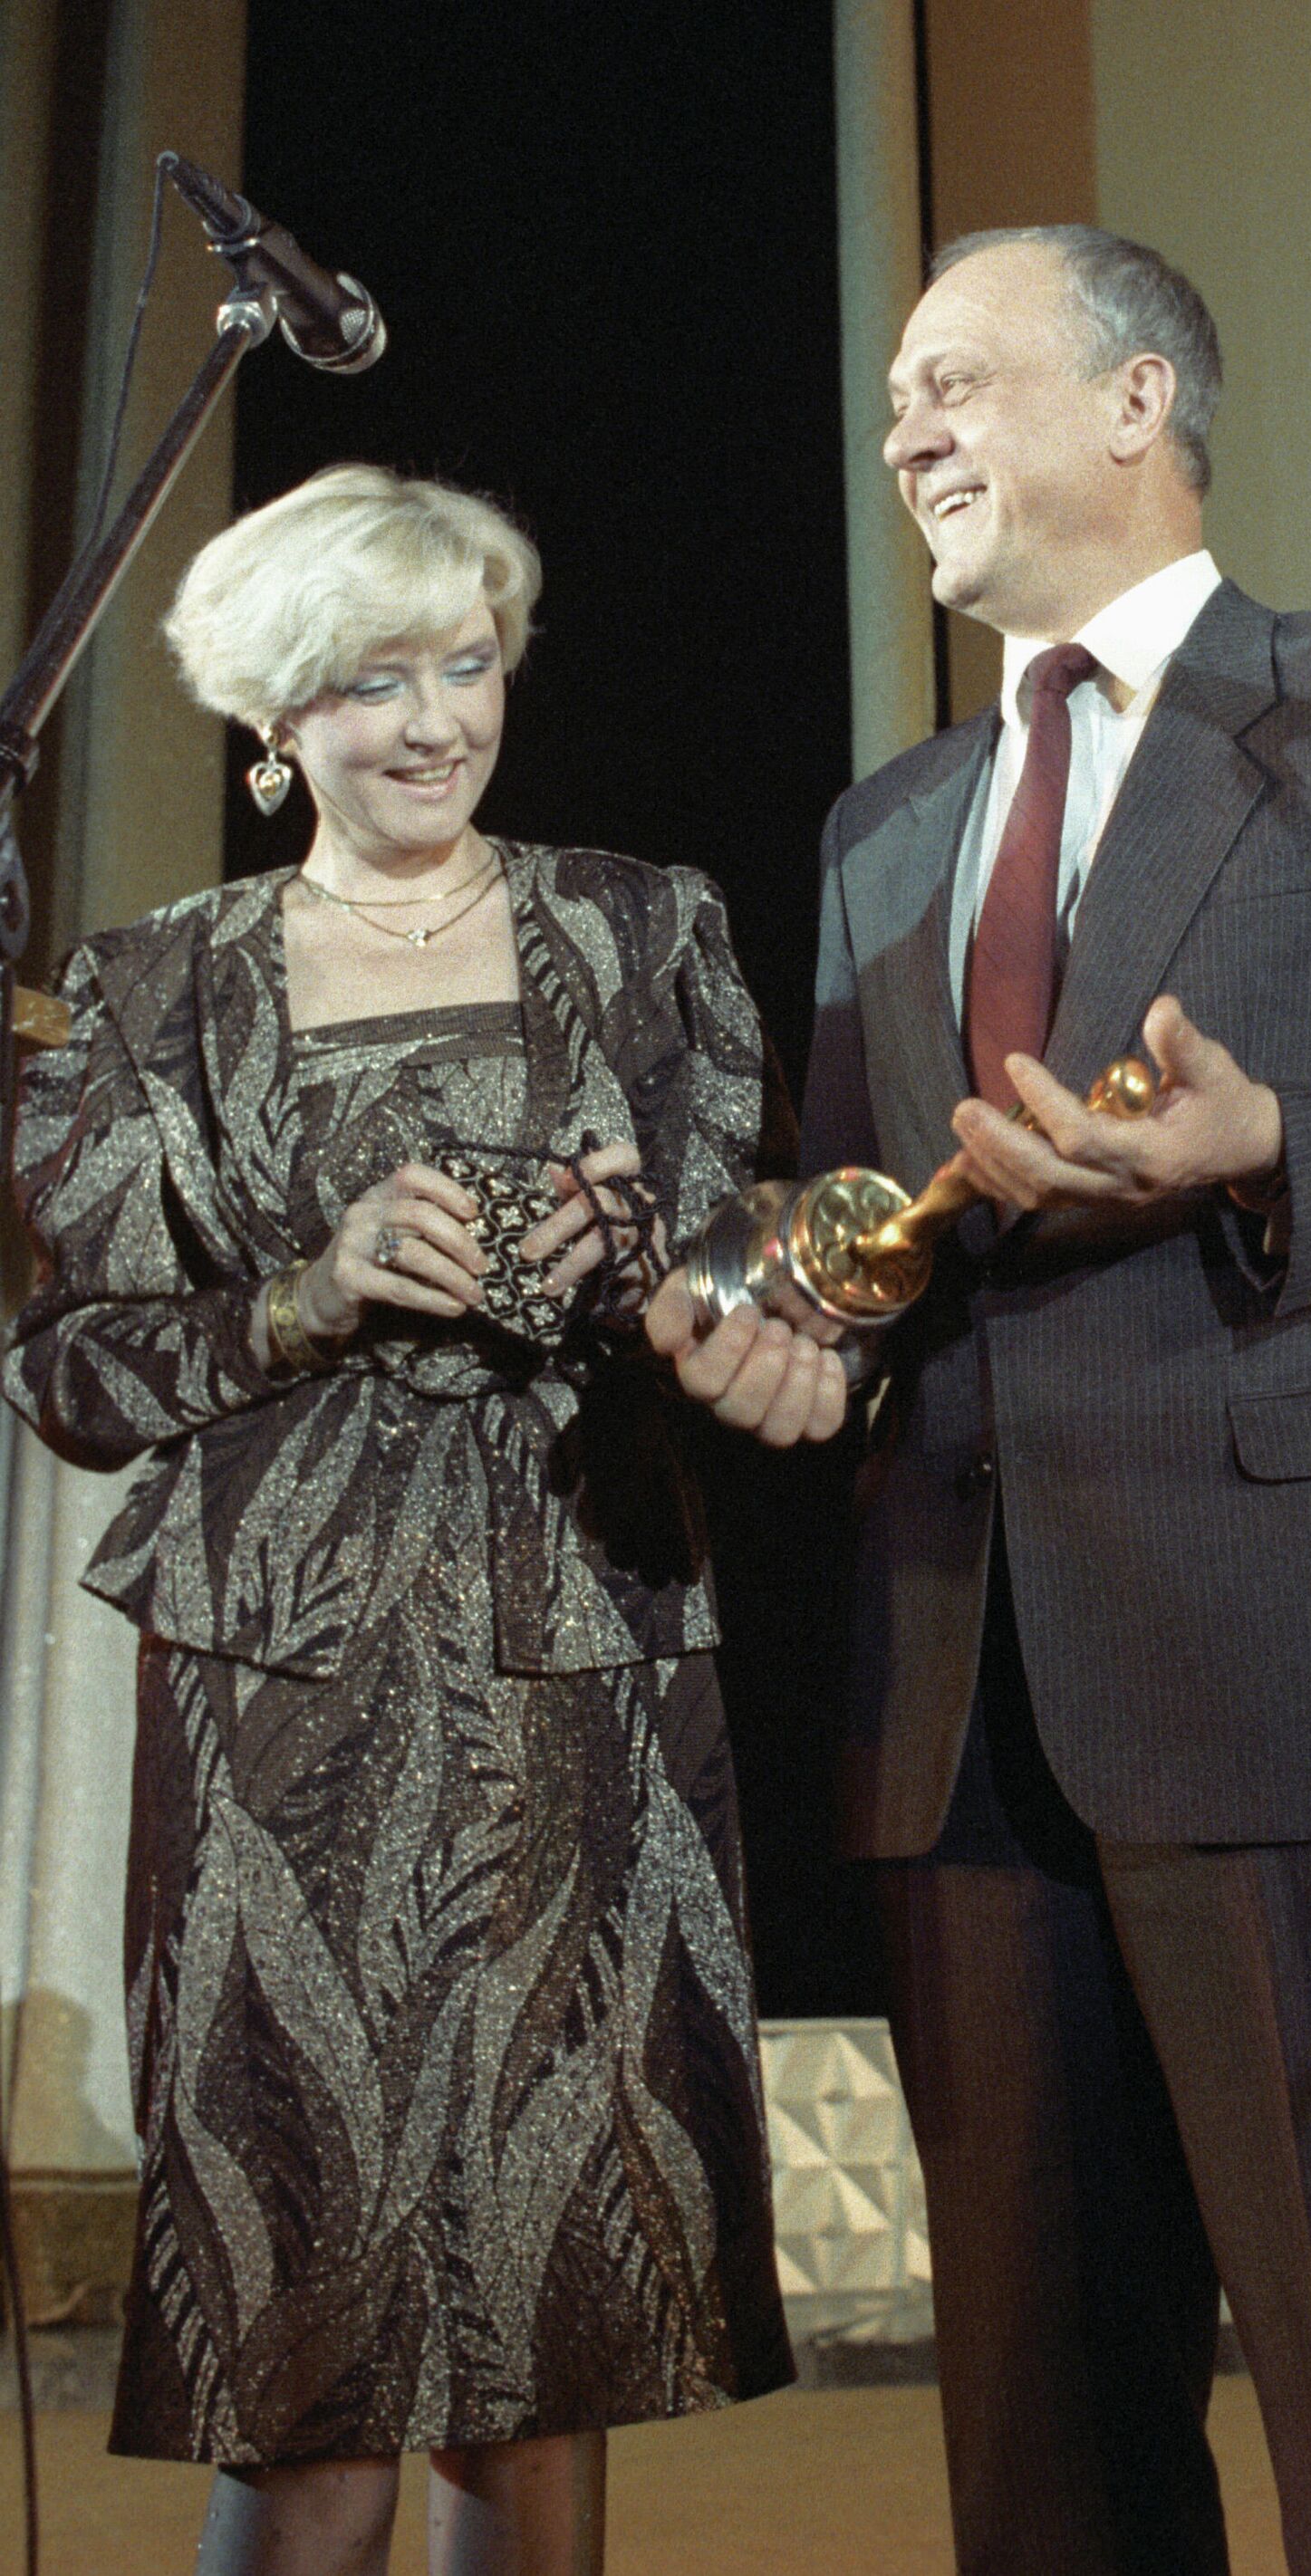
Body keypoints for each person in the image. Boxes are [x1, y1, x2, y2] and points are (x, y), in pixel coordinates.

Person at [649, 227, 1311, 2573]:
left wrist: (1283, 1135)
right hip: (960, 1716)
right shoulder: (882, 824)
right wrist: (769, 1307)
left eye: (951, 380)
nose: (906, 429)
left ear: (1136, 402)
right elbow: (864, 1220)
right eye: (894, 395)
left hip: (1304, 1675)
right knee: (1044, 2472)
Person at [4, 463, 843, 2576]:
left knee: (553, 2348)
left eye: (465, 665)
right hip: (287, 1709)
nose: (435, 721)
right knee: (305, 2354)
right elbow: (72, 1373)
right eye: (373, 684)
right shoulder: (151, 993)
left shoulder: (647, 933)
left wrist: (649, 1259)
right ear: (273, 720)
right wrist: (303, 1292)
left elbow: (758, 1288)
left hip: (579, 1661)